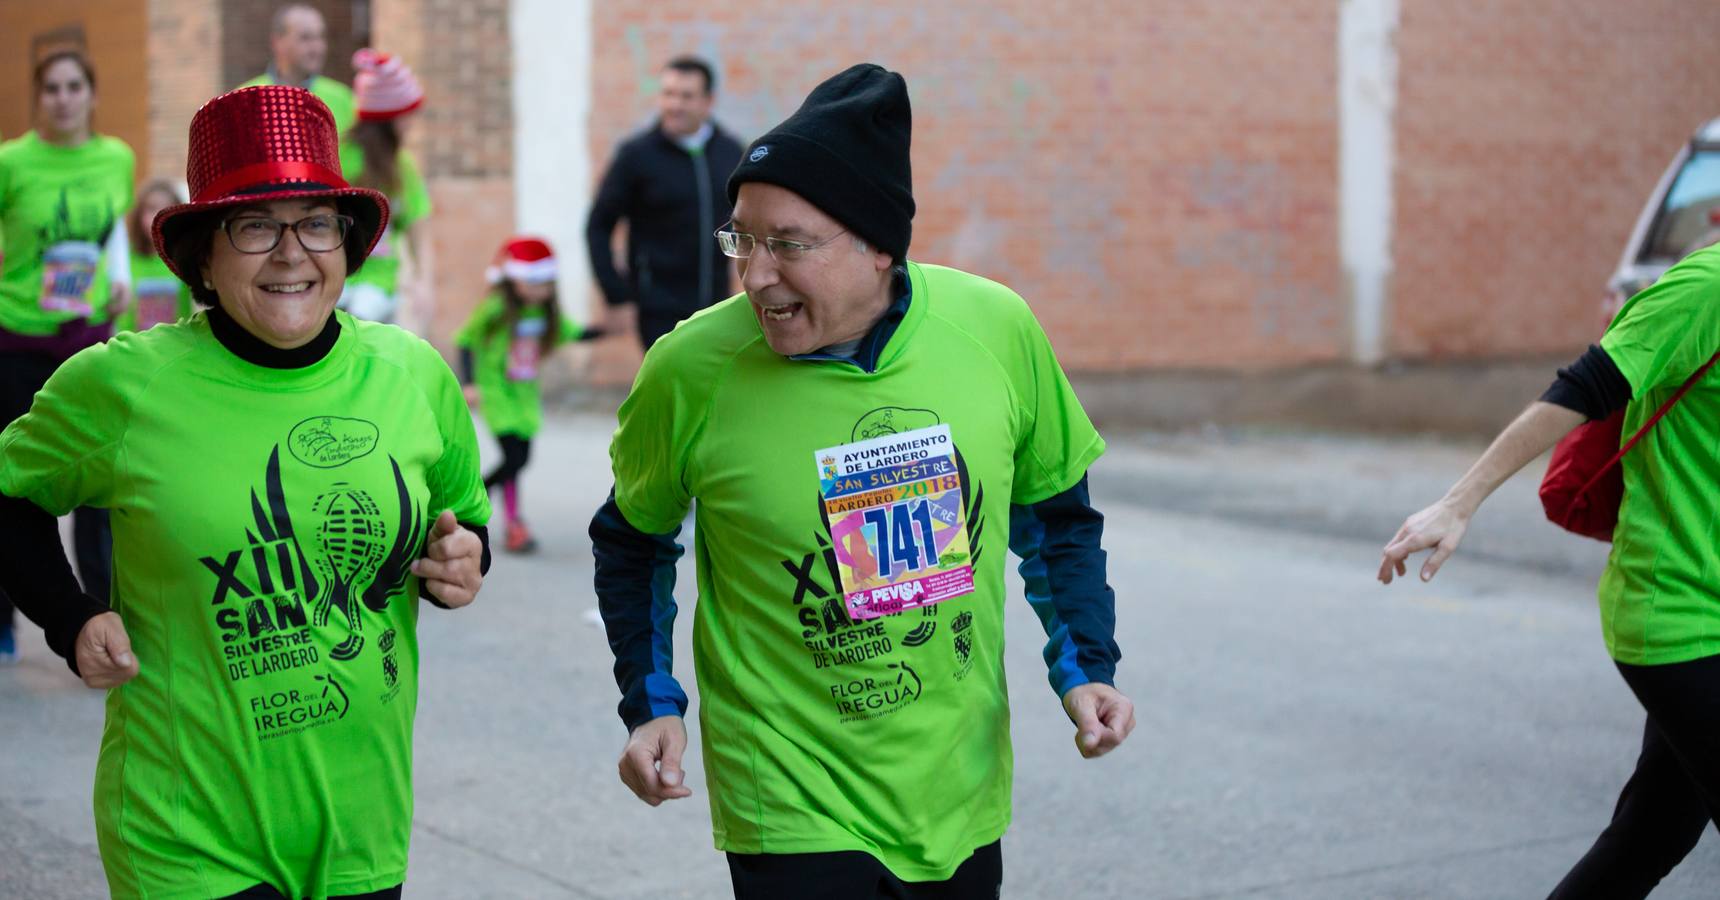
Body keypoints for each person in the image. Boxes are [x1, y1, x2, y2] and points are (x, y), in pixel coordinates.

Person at [589, 64, 1136, 899]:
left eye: (790, 244)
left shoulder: (994, 329)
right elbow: (632, 541)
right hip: (790, 797)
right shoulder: (691, 369)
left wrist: (1086, 664)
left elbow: (1055, 516)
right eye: (744, 239)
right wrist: (651, 701)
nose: (757, 275)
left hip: (958, 792)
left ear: (881, 245)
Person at [0, 85, 490, 898]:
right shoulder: (125, 386)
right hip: (185, 832)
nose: (292, 252)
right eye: (255, 224)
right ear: (203, 255)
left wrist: (462, 565)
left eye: (316, 222)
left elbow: (458, 522)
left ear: (347, 240)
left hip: (361, 825)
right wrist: (69, 614)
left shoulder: (413, 376)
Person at [1380, 240, 1720, 899]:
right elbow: (1584, 387)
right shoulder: (1705, 288)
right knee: (1651, 835)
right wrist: (1458, 502)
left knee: (1650, 836)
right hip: (1680, 613)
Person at [0, 49, 133, 662]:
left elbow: (114, 233)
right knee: (13, 482)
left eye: (73, 85)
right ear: (39, 98)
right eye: (50, 88)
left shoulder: (116, 158)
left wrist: (123, 279)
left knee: (98, 486)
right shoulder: (12, 161)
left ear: (92, 93)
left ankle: (100, 617)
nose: (62, 97)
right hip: (17, 334)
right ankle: (5, 615)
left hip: (88, 338)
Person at [455, 237, 603, 554]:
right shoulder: (495, 308)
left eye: (545, 284)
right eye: (532, 282)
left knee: (516, 462)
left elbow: (574, 332)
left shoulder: (543, 313)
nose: (539, 291)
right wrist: (469, 383)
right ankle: (471, 500)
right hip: (497, 393)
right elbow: (466, 340)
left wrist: (613, 328)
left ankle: (513, 524)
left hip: (524, 397)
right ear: (513, 278)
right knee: (516, 458)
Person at [585, 55, 743, 351]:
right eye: (668, 94)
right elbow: (598, 226)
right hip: (657, 307)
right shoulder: (637, 155)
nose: (675, 105)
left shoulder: (730, 152)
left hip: (717, 303)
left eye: (686, 96)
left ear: (708, 101)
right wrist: (616, 294)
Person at [337, 48, 430, 325]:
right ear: (387, 118)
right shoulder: (341, 158)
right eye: (406, 116)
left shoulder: (402, 167)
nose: (411, 125)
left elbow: (418, 228)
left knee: (362, 322)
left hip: (380, 283)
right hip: (337, 279)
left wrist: (423, 282)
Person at [241, 4, 356, 133]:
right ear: (277, 42)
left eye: (321, 37)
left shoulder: (345, 99)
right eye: (305, 38)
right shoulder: (244, 99)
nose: (317, 48)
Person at [113, 179, 195, 333]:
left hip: (175, 347)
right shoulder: (123, 260)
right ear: (138, 214)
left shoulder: (185, 259)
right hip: (134, 347)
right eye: (151, 208)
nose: (157, 216)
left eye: (165, 209)